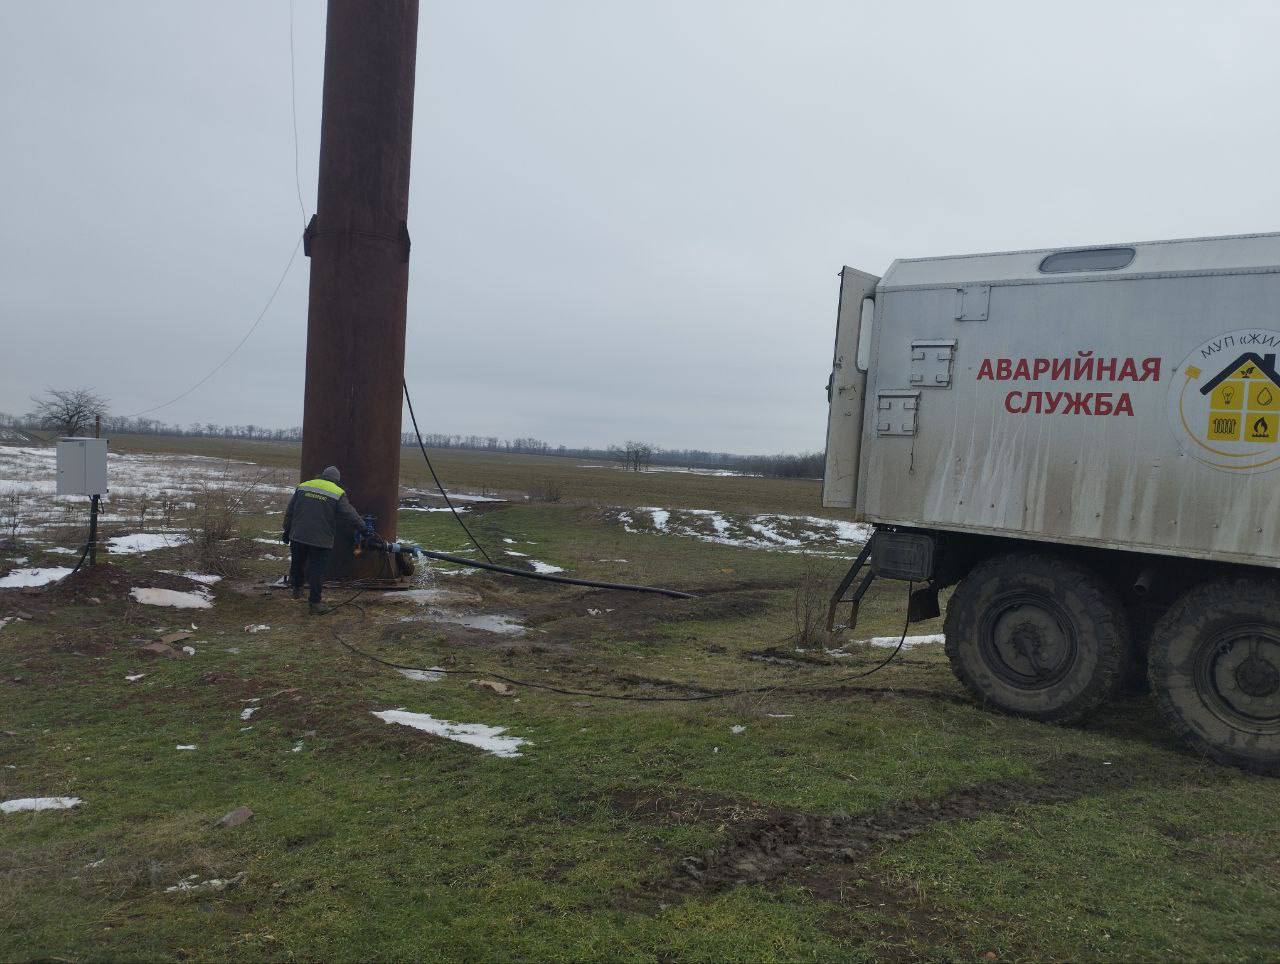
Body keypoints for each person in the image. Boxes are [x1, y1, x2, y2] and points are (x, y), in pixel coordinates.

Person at [282, 465, 365, 614]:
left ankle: (297, 589)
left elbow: (290, 511)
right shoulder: (337, 492)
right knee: (317, 571)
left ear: (322, 476)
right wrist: (364, 528)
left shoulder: (303, 486)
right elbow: (350, 514)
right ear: (336, 481)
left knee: (297, 563)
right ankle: (314, 604)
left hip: (298, 535)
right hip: (321, 540)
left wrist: (286, 530)